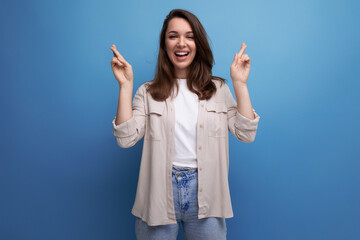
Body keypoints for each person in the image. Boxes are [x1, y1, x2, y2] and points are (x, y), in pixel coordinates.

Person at [110, 9, 260, 240]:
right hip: (157, 195)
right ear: (164, 44)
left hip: (208, 194)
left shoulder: (219, 90)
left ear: (198, 43)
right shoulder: (147, 92)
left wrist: (240, 83)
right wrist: (125, 86)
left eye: (189, 36)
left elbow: (246, 133)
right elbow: (125, 139)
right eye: (173, 36)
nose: (181, 43)